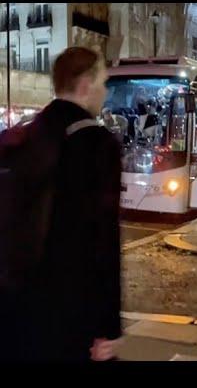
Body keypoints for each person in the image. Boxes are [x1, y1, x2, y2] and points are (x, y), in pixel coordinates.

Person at [2, 47, 122, 361]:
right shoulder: (96, 143)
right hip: (70, 312)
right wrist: (106, 326)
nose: (105, 93)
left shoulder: (21, 137)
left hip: (17, 304)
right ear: (85, 86)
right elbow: (103, 240)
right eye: (103, 83)